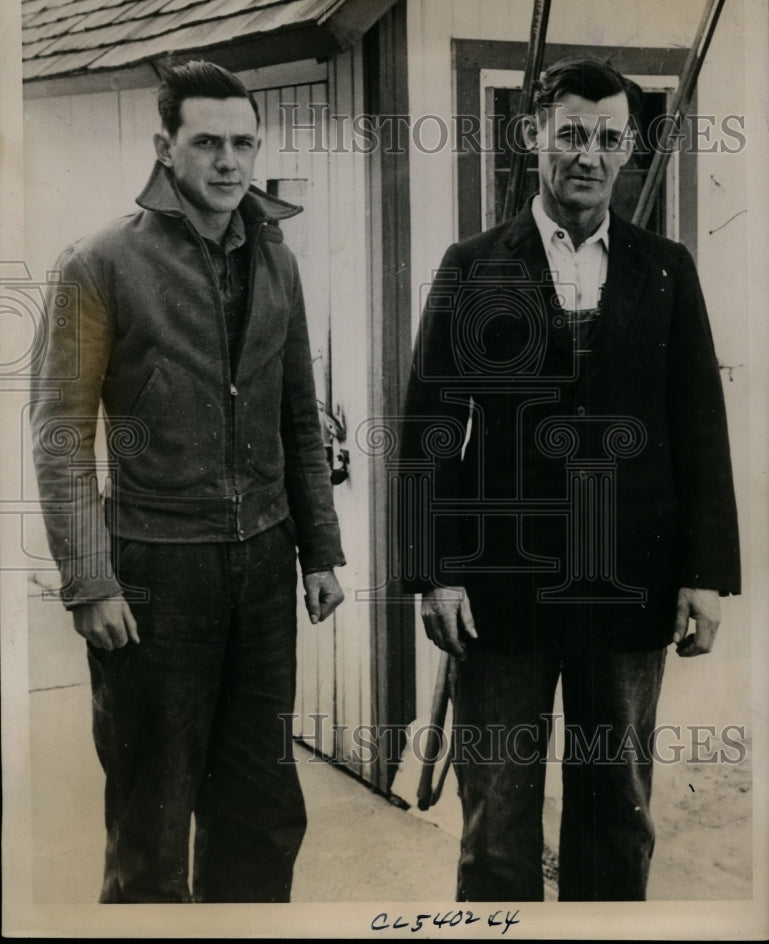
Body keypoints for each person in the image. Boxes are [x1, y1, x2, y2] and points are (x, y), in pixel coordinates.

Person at [399, 57, 740, 901]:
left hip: (627, 583)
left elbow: (699, 426)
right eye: (570, 135)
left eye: (608, 139)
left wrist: (704, 575)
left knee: (616, 814)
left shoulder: (665, 269)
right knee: (495, 824)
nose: (587, 155)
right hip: (502, 589)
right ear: (532, 138)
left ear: (628, 149)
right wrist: (435, 571)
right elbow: (428, 428)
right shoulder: (473, 264)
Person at [30, 59, 345, 903]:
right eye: (208, 143)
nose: (230, 162)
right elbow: (61, 436)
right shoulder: (97, 264)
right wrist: (89, 581)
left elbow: (298, 412)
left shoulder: (276, 260)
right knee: (152, 821)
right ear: (165, 148)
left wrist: (319, 549)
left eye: (244, 143)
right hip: (156, 575)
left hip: (264, 570)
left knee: (262, 810)